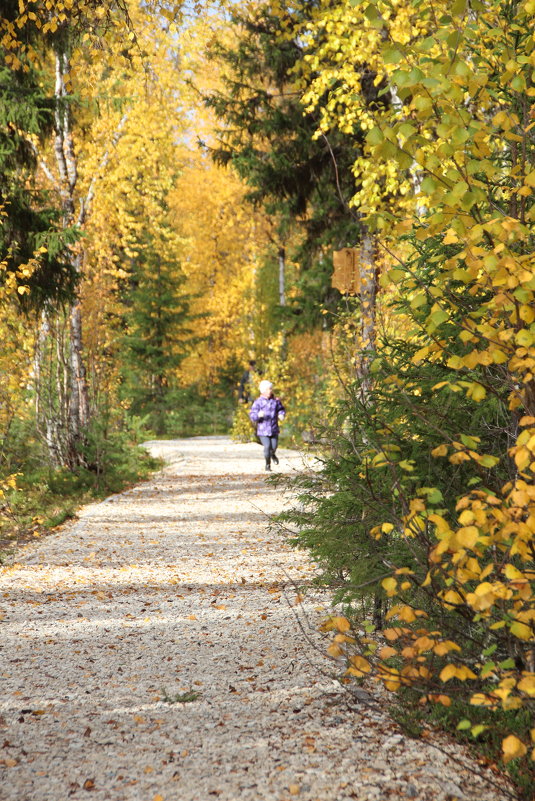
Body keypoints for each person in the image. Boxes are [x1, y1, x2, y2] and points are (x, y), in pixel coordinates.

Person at [249, 380, 286, 471]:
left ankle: (273, 454)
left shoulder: (276, 401)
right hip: (263, 430)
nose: (270, 390)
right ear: (263, 390)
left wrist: (281, 414)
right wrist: (258, 415)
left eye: (271, 389)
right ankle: (267, 465)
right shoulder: (258, 402)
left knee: (274, 446)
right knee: (267, 446)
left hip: (274, 429)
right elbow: (252, 415)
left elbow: (281, 409)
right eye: (269, 389)